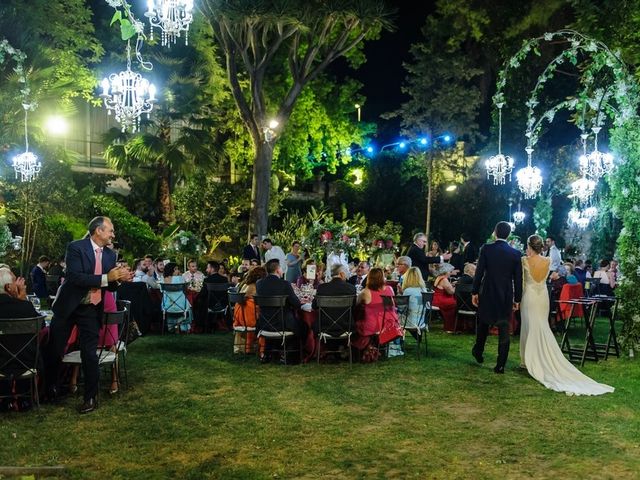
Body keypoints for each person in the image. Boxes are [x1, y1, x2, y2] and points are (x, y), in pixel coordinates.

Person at [46, 217, 131, 414]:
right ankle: (50, 388)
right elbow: (75, 277)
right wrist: (106, 277)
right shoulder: (76, 247)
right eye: (110, 230)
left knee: (89, 353)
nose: (113, 234)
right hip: (68, 307)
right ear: (98, 231)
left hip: (90, 309)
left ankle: (90, 398)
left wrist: (119, 280)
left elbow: (109, 285)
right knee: (55, 349)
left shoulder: (111, 255)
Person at [520, 235, 614, 395]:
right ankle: (533, 359)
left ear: (529, 246)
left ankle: (529, 360)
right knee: (540, 325)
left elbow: (522, 281)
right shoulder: (548, 260)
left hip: (529, 295)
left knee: (530, 325)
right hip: (542, 296)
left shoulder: (524, 261)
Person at [471, 221, 523, 374]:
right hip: (505, 294)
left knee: (483, 323)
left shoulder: (486, 249)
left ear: (495, 232)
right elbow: (518, 279)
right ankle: (500, 364)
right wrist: (517, 299)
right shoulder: (515, 254)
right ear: (508, 235)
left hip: (488, 291)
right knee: (504, 327)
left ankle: (478, 351)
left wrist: (474, 291)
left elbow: (479, 272)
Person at [255, 259, 302, 361]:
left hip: (264, 324)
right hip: (282, 324)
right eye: (281, 268)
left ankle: (270, 353)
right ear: (277, 270)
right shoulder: (284, 284)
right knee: (303, 326)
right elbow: (297, 304)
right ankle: (289, 354)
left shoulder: (259, 284)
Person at [353, 267, 402, 362]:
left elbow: (356, 303)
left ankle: (363, 346)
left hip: (373, 326)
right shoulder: (390, 289)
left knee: (357, 321)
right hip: (389, 324)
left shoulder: (365, 292)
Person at [233, 266, 267, 353]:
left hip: (239, 317)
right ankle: (262, 348)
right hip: (250, 319)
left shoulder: (245, 284)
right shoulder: (255, 287)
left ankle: (248, 347)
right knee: (267, 317)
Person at [162, 263, 193, 333]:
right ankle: (183, 327)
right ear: (174, 270)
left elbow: (161, 291)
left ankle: (173, 327)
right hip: (181, 306)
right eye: (177, 269)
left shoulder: (163, 279)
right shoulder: (180, 278)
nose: (178, 271)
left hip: (167, 306)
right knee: (188, 306)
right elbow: (186, 288)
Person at [400, 266, 428, 335]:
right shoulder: (423, 289)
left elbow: (402, 308)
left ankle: (396, 343)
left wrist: (400, 294)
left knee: (394, 316)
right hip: (421, 321)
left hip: (411, 322)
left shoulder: (408, 291)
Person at [432, 263, 458, 333]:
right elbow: (451, 292)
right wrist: (457, 286)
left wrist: (451, 284)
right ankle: (450, 327)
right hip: (442, 300)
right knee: (455, 304)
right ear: (445, 271)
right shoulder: (444, 279)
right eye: (450, 271)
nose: (450, 273)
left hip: (435, 299)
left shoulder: (439, 277)